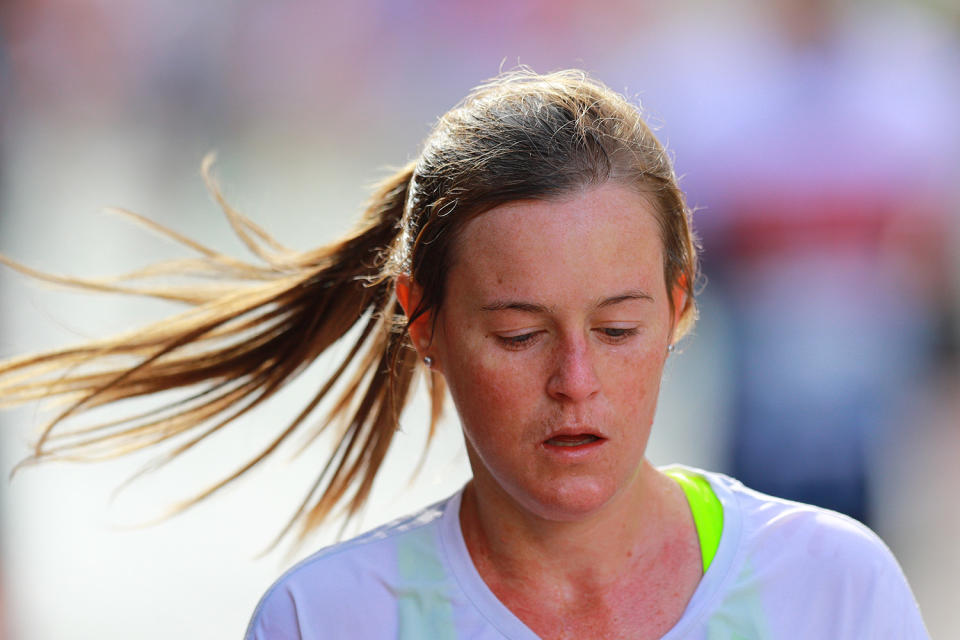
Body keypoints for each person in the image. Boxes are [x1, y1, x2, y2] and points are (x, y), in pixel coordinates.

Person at [0, 70, 928, 639]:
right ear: (425, 322)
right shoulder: (328, 621)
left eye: (618, 329)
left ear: (681, 305)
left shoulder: (832, 587)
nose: (576, 383)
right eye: (519, 334)